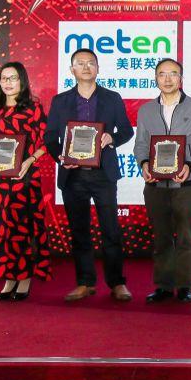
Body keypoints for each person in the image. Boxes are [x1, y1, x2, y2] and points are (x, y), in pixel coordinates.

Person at [45, 48, 134, 302]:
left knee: (111, 230)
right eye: (80, 63)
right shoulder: (60, 101)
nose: (86, 67)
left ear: (98, 68)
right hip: (72, 175)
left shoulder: (112, 98)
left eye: (91, 63)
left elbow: (126, 130)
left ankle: (117, 282)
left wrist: (111, 138)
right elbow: (50, 137)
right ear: (72, 69)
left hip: (103, 174)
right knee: (79, 230)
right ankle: (85, 282)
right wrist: (61, 157)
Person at [134, 58, 191, 304]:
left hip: (187, 185)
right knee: (162, 238)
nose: (167, 79)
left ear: (181, 78)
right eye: (162, 74)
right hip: (155, 185)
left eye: (173, 74)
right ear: (155, 78)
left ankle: (184, 286)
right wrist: (144, 164)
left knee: (186, 237)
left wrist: (190, 164)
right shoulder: (146, 110)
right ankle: (164, 286)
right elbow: (140, 144)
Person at [0, 62, 51, 300]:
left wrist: (29, 161)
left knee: (21, 229)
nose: (8, 82)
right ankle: (9, 278)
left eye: (13, 78)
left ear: (22, 80)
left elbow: (46, 141)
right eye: (4, 78)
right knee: (1, 229)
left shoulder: (33, 108)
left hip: (24, 177)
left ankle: (24, 278)